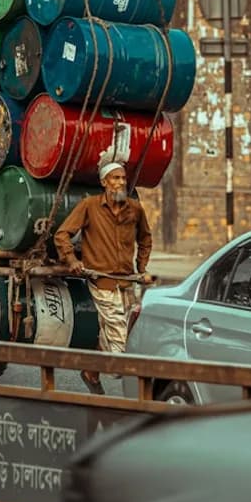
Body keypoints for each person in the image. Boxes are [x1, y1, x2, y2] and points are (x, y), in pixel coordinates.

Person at [54, 162, 153, 395]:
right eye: (115, 178)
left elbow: (145, 239)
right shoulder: (90, 206)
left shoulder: (135, 209)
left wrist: (141, 267)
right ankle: (106, 373)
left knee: (128, 333)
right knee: (119, 351)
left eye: (123, 178)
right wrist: (71, 260)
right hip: (102, 282)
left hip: (128, 283)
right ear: (104, 182)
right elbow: (62, 234)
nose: (120, 182)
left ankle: (90, 371)